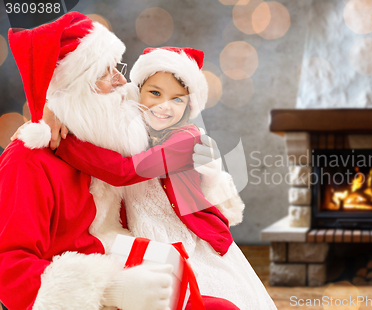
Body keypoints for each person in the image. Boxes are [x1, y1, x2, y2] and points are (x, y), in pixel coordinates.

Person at [0, 12, 235, 310]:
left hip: (123, 254)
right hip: (80, 290)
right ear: (75, 86)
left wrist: (58, 114)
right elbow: (9, 270)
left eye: (117, 67)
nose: (122, 81)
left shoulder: (105, 142)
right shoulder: (28, 161)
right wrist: (109, 291)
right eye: (105, 72)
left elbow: (124, 165)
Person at [51, 46, 278, 309]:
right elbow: (95, 109)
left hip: (185, 236)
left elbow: (124, 171)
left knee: (203, 294)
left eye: (177, 99)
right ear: (138, 91)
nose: (163, 106)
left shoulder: (186, 139)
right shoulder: (130, 129)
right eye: (155, 93)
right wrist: (57, 112)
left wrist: (64, 143)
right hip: (142, 234)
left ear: (189, 105)